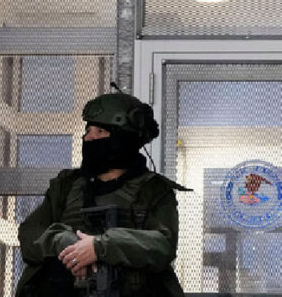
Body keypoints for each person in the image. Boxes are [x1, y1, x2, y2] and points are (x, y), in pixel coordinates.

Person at [16, 92, 189, 297]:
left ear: (123, 138)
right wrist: (64, 242)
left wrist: (99, 247)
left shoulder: (153, 189)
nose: (89, 138)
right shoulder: (66, 186)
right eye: (88, 130)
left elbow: (162, 245)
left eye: (100, 131)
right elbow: (30, 234)